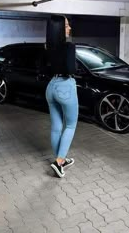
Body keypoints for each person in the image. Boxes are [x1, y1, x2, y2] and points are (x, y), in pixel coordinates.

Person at [45, 16, 78, 178]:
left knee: (56, 127)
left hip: (51, 86)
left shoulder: (47, 47)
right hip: (65, 85)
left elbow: (42, 68)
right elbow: (71, 69)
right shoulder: (68, 46)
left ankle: (61, 160)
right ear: (59, 28)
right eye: (66, 25)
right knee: (70, 126)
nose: (69, 28)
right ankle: (59, 161)